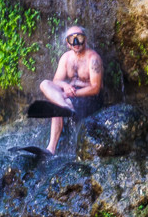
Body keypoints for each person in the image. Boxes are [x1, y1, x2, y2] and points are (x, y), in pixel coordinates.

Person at [38, 26, 103, 154]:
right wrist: (65, 86)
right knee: (45, 84)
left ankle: (51, 148)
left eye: (79, 37)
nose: (76, 42)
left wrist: (72, 93)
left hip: (90, 98)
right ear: (67, 43)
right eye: (72, 39)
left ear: (85, 39)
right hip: (70, 95)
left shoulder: (93, 59)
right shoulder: (66, 58)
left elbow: (96, 88)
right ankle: (50, 149)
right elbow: (56, 81)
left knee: (56, 105)